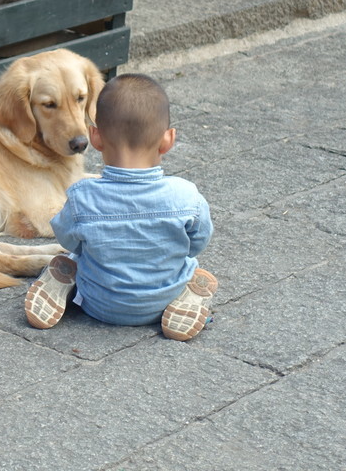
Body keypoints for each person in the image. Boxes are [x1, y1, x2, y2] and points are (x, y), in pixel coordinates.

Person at [24, 73, 217, 340]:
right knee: (190, 263)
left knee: (75, 257)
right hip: (162, 300)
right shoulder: (186, 196)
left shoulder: (82, 196)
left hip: (98, 305)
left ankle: (65, 281)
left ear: (95, 137)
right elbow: (197, 242)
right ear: (168, 140)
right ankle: (184, 295)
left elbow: (69, 239)